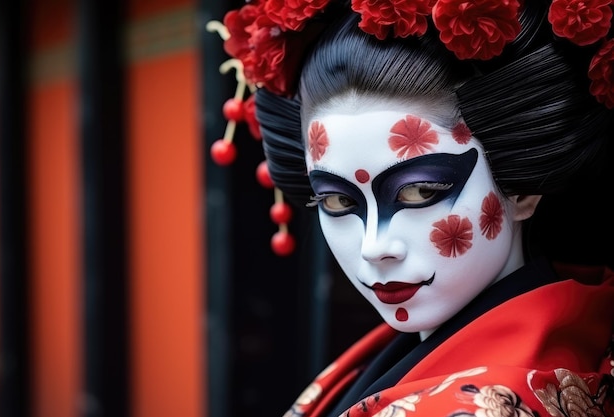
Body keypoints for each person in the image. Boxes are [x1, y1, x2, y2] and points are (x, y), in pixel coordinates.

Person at [217, 0, 614, 416]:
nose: (374, 246)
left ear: (521, 188)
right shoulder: (577, 326)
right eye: (337, 201)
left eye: (420, 193)